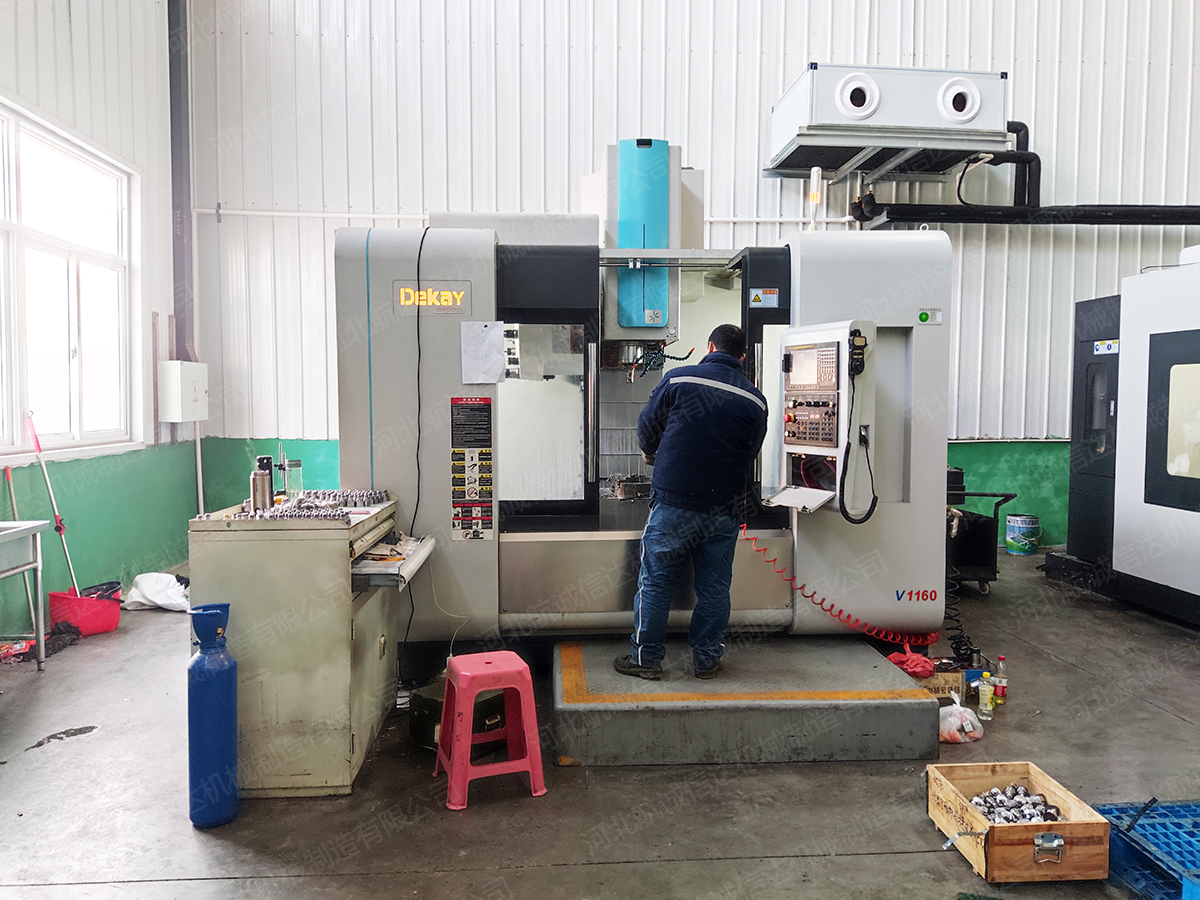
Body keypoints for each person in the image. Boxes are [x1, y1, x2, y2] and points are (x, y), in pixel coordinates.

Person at [614, 324, 768, 680]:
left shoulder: (679, 378)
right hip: (724, 508)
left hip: (675, 502)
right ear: (743, 356)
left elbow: (647, 425)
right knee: (714, 589)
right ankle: (707, 661)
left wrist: (652, 454)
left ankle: (647, 660)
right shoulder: (755, 399)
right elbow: (751, 451)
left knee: (656, 582)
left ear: (709, 347)